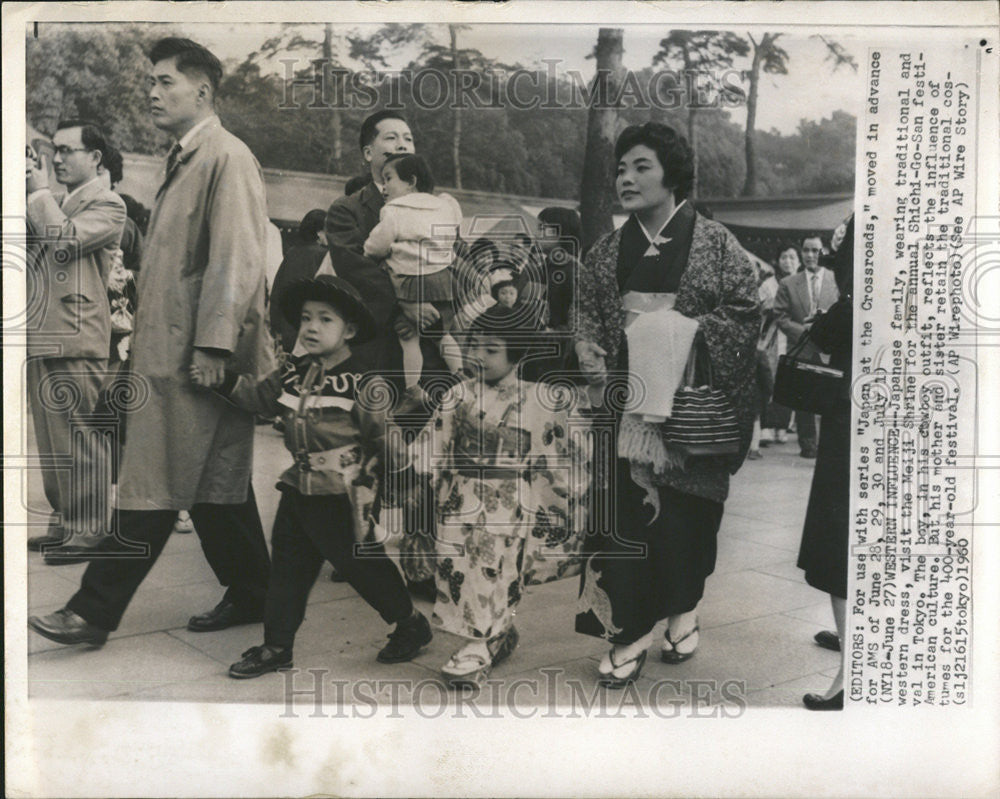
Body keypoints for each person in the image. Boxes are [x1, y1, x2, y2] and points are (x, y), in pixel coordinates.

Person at [28, 37, 272, 647]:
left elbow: (237, 259)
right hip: (170, 353)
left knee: (152, 486)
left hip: (196, 356)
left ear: (203, 90)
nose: (153, 92)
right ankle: (257, 594)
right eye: (152, 82)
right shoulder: (186, 157)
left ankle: (92, 612)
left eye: (165, 81)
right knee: (215, 487)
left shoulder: (227, 157)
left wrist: (215, 347)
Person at [573, 122, 759, 687]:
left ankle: (683, 610)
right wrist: (595, 356)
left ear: (671, 174)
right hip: (627, 407)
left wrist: (674, 335)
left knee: (687, 526)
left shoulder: (718, 243)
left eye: (641, 167)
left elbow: (745, 314)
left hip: (691, 406)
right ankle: (629, 630)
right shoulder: (607, 253)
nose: (626, 178)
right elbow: (586, 318)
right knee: (626, 522)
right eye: (621, 169)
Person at [213, 275, 432, 678]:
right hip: (298, 488)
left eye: (325, 319)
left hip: (343, 496)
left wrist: (406, 489)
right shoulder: (293, 374)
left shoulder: (365, 383)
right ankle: (277, 646)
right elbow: (259, 398)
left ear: (348, 330)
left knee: (361, 568)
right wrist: (223, 380)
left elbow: (388, 439)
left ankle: (410, 623)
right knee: (287, 569)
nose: (311, 327)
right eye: (306, 318)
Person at [399, 304, 590, 687]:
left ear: (516, 354)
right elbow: (433, 443)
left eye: (492, 349)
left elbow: (559, 452)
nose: (478, 357)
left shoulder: (538, 399)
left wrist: (563, 496)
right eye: (475, 347)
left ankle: (477, 644)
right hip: (459, 496)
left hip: (508, 502)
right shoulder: (458, 393)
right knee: (458, 569)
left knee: (493, 571)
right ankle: (496, 634)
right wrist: (416, 480)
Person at [24, 120, 126, 559]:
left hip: (78, 333)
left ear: (95, 158)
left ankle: (90, 529)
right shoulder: (55, 201)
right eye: (55, 150)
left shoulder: (109, 203)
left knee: (81, 435)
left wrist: (38, 194)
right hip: (43, 330)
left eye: (68, 150)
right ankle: (65, 520)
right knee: (52, 440)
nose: (58, 158)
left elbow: (64, 243)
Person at [798, 216, 854, 710]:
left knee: (839, 551)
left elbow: (825, 335)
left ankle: (849, 672)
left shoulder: (852, 305)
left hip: (848, 435)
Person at [363, 153, 464, 401]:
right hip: (443, 280)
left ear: (411, 181)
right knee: (441, 335)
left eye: (389, 179)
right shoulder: (444, 206)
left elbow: (378, 245)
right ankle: (460, 372)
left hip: (411, 282)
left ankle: (412, 389)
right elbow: (452, 236)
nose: (384, 186)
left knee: (409, 339)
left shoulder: (394, 210)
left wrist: (368, 251)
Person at [773, 235, 839, 459]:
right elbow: (780, 316)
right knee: (804, 399)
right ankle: (808, 444)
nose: (811, 255)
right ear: (801, 253)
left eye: (816, 250)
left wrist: (825, 330)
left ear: (824, 252)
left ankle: (829, 444)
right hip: (800, 347)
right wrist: (804, 331)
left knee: (830, 396)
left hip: (829, 347)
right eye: (806, 250)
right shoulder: (788, 283)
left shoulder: (836, 279)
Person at [269, 209, 330, 353]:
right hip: (309, 331)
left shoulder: (292, 253)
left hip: (286, 329)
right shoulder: (323, 255)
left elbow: (277, 292)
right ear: (318, 232)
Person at [761, 243, 803, 447]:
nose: (788, 261)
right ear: (778, 261)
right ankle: (767, 427)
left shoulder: (804, 283)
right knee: (770, 379)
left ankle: (783, 425)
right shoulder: (769, 283)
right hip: (773, 336)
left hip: (796, 337)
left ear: (799, 261)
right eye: (784, 257)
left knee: (790, 382)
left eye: (792, 257)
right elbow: (759, 305)